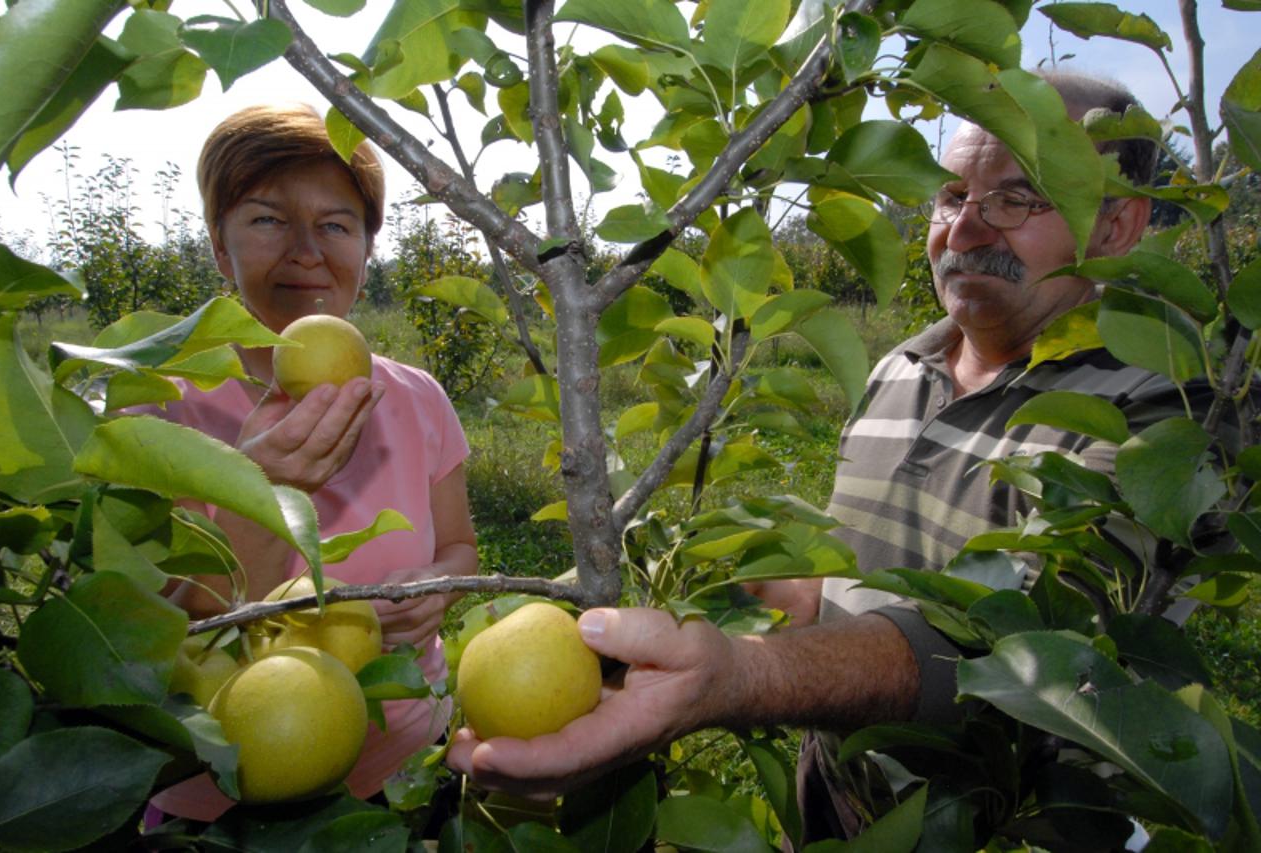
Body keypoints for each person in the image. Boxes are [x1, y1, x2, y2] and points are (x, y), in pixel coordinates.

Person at [446, 72, 1201, 839]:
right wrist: (718, 594)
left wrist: (743, 676)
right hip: (833, 805)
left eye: (1016, 198)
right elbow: (841, 588)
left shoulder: (1168, 414)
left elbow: (1037, 654)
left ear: (1116, 227)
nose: (964, 231)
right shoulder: (900, 368)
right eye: (950, 196)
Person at [147, 103, 478, 821]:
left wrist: (435, 587)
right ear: (217, 244)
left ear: (366, 248)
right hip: (223, 794)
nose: (306, 251)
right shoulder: (156, 412)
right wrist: (260, 492)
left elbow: (459, 545)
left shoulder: (418, 398)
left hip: (407, 767)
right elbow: (146, 643)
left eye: (335, 224)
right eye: (267, 219)